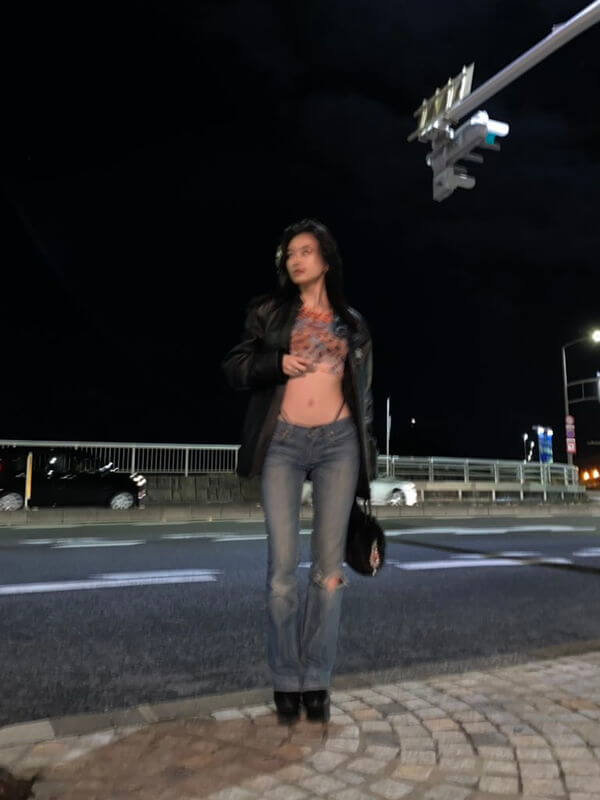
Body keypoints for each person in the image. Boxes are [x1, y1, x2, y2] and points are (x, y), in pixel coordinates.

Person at [221, 218, 377, 724]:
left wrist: (367, 464)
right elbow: (234, 366)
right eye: (290, 252)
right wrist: (276, 363)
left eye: (306, 251)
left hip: (339, 444)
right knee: (281, 574)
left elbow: (365, 398)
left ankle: (318, 680)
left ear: (326, 260)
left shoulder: (352, 323)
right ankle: (287, 679)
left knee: (328, 574)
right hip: (283, 443)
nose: (296, 259)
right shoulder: (267, 312)